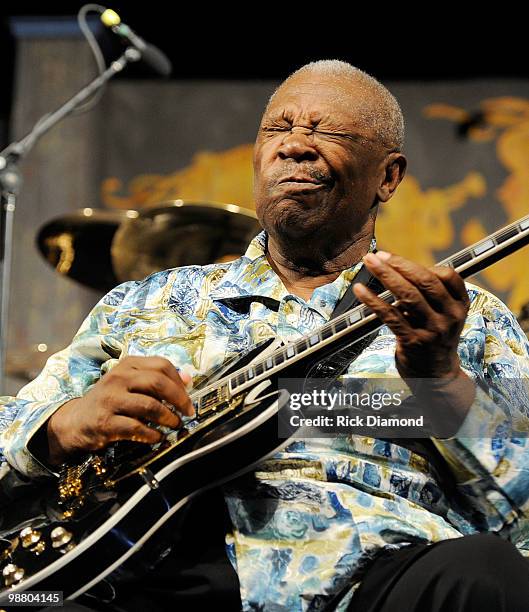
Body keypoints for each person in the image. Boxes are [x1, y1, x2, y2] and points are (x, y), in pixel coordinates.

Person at [1, 59, 529, 612]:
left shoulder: (464, 319)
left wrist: (440, 386)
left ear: (388, 176)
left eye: (328, 131)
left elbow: (521, 510)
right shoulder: (145, 304)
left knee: (482, 575)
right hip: (154, 571)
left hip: (380, 579)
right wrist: (62, 424)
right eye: (279, 128)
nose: (295, 145)